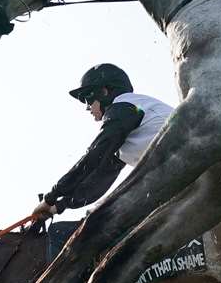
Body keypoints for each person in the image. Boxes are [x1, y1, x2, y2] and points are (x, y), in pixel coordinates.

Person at [31, 64, 172, 219]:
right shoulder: (122, 137)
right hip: (175, 167)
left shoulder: (124, 106)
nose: (87, 108)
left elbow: (95, 154)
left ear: (104, 92)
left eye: (87, 99)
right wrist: (58, 206)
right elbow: (98, 181)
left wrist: (51, 196)